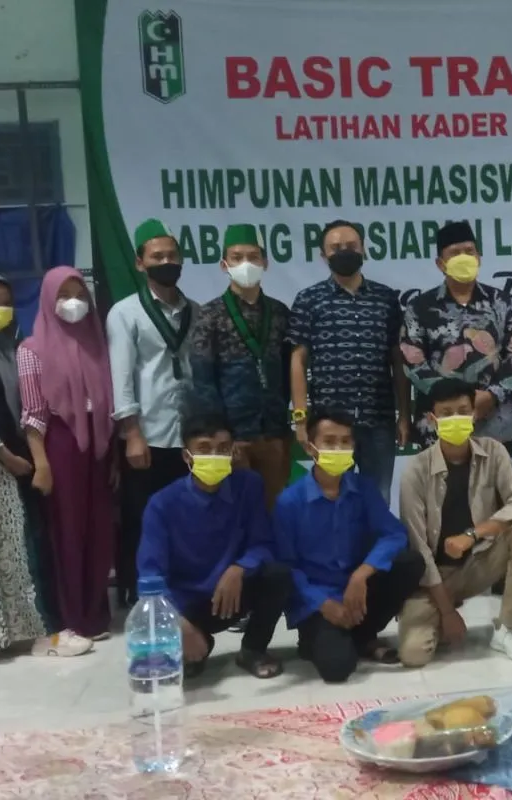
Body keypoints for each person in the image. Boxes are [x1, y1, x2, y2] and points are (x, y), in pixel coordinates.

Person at [0, 272, 92, 658]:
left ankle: (36, 631)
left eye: (6, 301)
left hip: (18, 459)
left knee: (26, 548)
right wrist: (5, 456)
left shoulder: (12, 345)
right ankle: (4, 635)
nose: (1, 309)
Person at [396, 378, 512, 667]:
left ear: (474, 414)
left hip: (480, 561)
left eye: (462, 411)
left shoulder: (494, 452)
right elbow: (420, 549)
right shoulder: (416, 470)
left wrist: (473, 534)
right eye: (446, 413)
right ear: (432, 419)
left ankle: (509, 629)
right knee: (413, 655)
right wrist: (447, 613)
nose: (455, 419)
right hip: (435, 577)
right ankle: (441, 612)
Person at [137, 414, 292, 679]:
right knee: (177, 671)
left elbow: (264, 543)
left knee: (278, 574)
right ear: (187, 456)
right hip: (186, 603)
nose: (214, 456)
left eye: (222, 449)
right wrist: (179, 623)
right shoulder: (162, 504)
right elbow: (150, 575)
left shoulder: (249, 485)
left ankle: (253, 650)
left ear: (232, 452)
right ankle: (197, 641)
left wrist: (239, 568)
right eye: (204, 449)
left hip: (233, 594)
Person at [275, 409, 424, 683]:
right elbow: (287, 567)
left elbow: (394, 534)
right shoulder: (289, 502)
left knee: (409, 562)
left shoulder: (363, 488)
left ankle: (363, 634)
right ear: (310, 448)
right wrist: (323, 604)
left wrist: (362, 573)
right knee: (338, 669)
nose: (339, 449)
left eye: (345, 441)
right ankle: (322, 640)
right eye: (329, 441)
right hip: (317, 599)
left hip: (358, 591)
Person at [18, 266, 116, 641]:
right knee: (68, 532)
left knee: (99, 529)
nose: (73, 303)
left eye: (79, 295)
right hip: (60, 443)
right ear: (48, 299)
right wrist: (41, 463)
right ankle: (72, 616)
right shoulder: (32, 350)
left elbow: (108, 406)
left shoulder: (97, 344)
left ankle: (96, 614)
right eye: (64, 296)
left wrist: (113, 457)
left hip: (100, 445)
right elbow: (33, 414)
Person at [108, 219, 200, 607]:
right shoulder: (125, 313)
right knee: (143, 516)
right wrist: (132, 432)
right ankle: (139, 592)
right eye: (157, 256)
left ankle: (182, 589)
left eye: (172, 255)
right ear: (140, 263)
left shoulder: (194, 310)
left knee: (186, 515)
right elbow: (121, 375)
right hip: (148, 433)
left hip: (188, 433)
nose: (166, 262)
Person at [290, 220, 408, 498]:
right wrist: (300, 419)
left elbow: (398, 360)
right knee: (330, 498)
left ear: (363, 249)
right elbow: (298, 361)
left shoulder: (386, 299)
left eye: (351, 246)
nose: (344, 252)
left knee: (377, 499)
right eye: (336, 248)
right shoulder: (309, 299)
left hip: (378, 420)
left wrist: (404, 415)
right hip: (330, 424)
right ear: (323, 256)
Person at [401, 220, 512, 453]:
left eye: (469, 251)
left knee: (496, 478)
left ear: (479, 258)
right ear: (440, 263)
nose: (463, 257)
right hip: (440, 423)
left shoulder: (503, 302)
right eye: (454, 253)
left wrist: (492, 395)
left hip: (496, 422)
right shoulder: (419, 307)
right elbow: (412, 360)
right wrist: (453, 402)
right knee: (440, 478)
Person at [190, 223, 292, 505]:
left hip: (274, 432)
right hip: (232, 436)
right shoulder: (209, 315)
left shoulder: (280, 313)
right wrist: (220, 437)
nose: (245, 263)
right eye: (237, 257)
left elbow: (288, 374)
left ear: (265, 263)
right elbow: (203, 381)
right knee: (234, 510)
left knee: (274, 509)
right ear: (224, 264)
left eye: (253, 257)